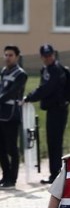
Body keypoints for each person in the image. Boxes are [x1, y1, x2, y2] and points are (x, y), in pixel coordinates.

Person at [23, 44, 68, 184]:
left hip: (58, 109)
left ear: (53, 55)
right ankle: (55, 174)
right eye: (45, 56)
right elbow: (44, 87)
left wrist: (30, 97)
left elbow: (47, 88)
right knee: (52, 141)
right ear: (41, 57)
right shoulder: (46, 69)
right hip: (52, 109)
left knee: (55, 141)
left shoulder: (55, 69)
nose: (48, 58)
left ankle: (56, 175)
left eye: (50, 55)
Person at [0, 45, 27, 188]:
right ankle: (5, 176)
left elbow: (12, 92)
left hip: (12, 115)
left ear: (17, 57)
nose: (7, 58)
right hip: (1, 113)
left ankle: (13, 179)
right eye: (6, 55)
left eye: (10, 55)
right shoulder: (4, 71)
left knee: (12, 148)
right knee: (1, 148)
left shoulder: (21, 74)